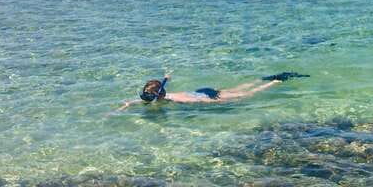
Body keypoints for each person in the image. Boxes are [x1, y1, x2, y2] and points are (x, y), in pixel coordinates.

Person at [117, 72, 308, 111]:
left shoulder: (178, 100)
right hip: (203, 89)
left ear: (157, 96)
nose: (147, 99)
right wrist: (128, 104)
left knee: (245, 95)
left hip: (206, 96)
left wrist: (219, 103)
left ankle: (274, 81)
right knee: (238, 88)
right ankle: (263, 78)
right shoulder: (163, 91)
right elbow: (163, 82)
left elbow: (198, 102)